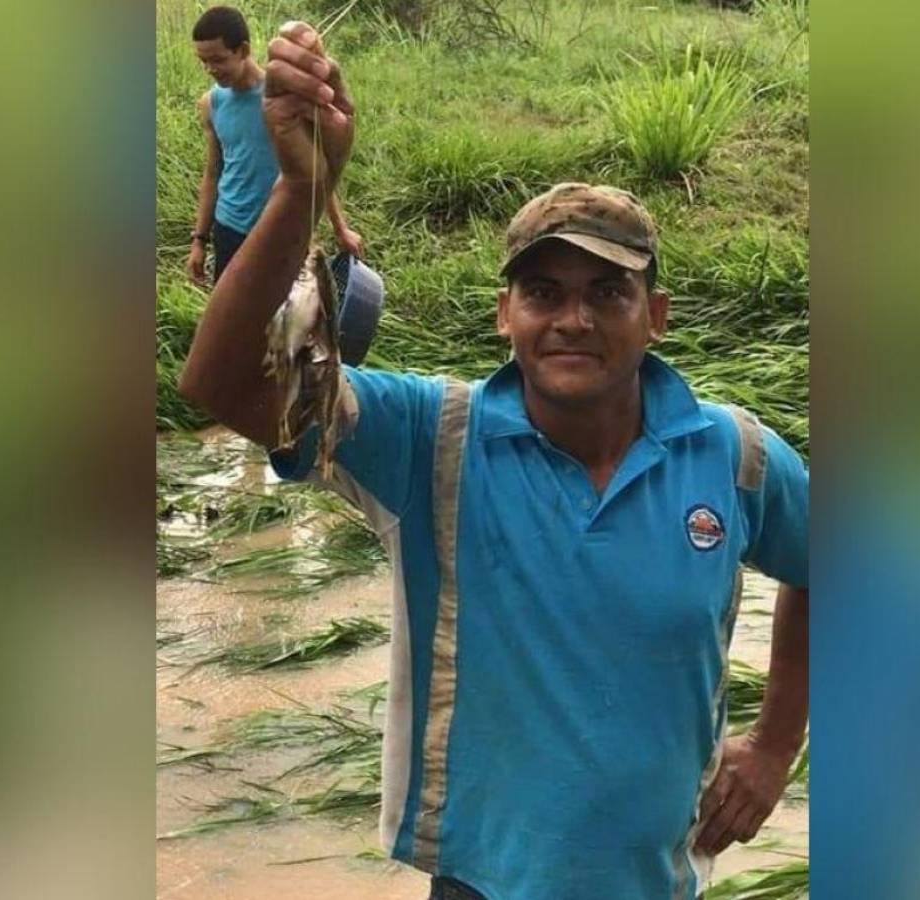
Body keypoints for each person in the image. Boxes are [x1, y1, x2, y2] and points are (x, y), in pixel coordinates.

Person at [179, 21, 808, 900]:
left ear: (656, 314)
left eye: (608, 292)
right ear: (502, 315)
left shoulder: (735, 455)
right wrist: (300, 189)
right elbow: (218, 386)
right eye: (543, 292)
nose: (573, 319)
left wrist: (776, 745)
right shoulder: (431, 440)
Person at [186, 6, 363, 287]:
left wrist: (341, 229)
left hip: (284, 228)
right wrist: (199, 240)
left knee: (290, 318)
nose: (210, 69)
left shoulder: (285, 98)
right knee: (237, 321)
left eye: (218, 60)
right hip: (229, 227)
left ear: (243, 50)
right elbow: (213, 171)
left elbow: (315, 172)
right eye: (203, 61)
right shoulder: (211, 103)